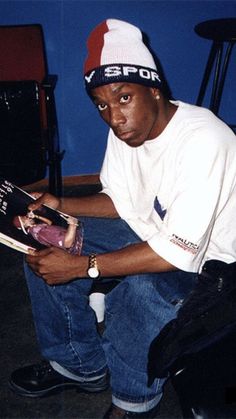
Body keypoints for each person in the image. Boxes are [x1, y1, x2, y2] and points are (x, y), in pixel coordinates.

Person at [8, 18, 236, 419]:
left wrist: (82, 267)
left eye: (124, 97)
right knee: (47, 239)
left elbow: (173, 255)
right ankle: (79, 365)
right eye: (102, 104)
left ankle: (133, 401)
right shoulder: (128, 130)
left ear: (154, 89)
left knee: (140, 293)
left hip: (212, 263)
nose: (113, 117)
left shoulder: (206, 140)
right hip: (155, 232)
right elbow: (122, 200)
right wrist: (59, 204)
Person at [12, 211, 83, 255]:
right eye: (25, 218)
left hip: (78, 239)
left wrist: (36, 216)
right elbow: (67, 243)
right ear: (24, 225)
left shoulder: (37, 228)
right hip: (81, 242)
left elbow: (49, 223)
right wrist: (73, 225)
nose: (28, 217)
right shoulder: (40, 232)